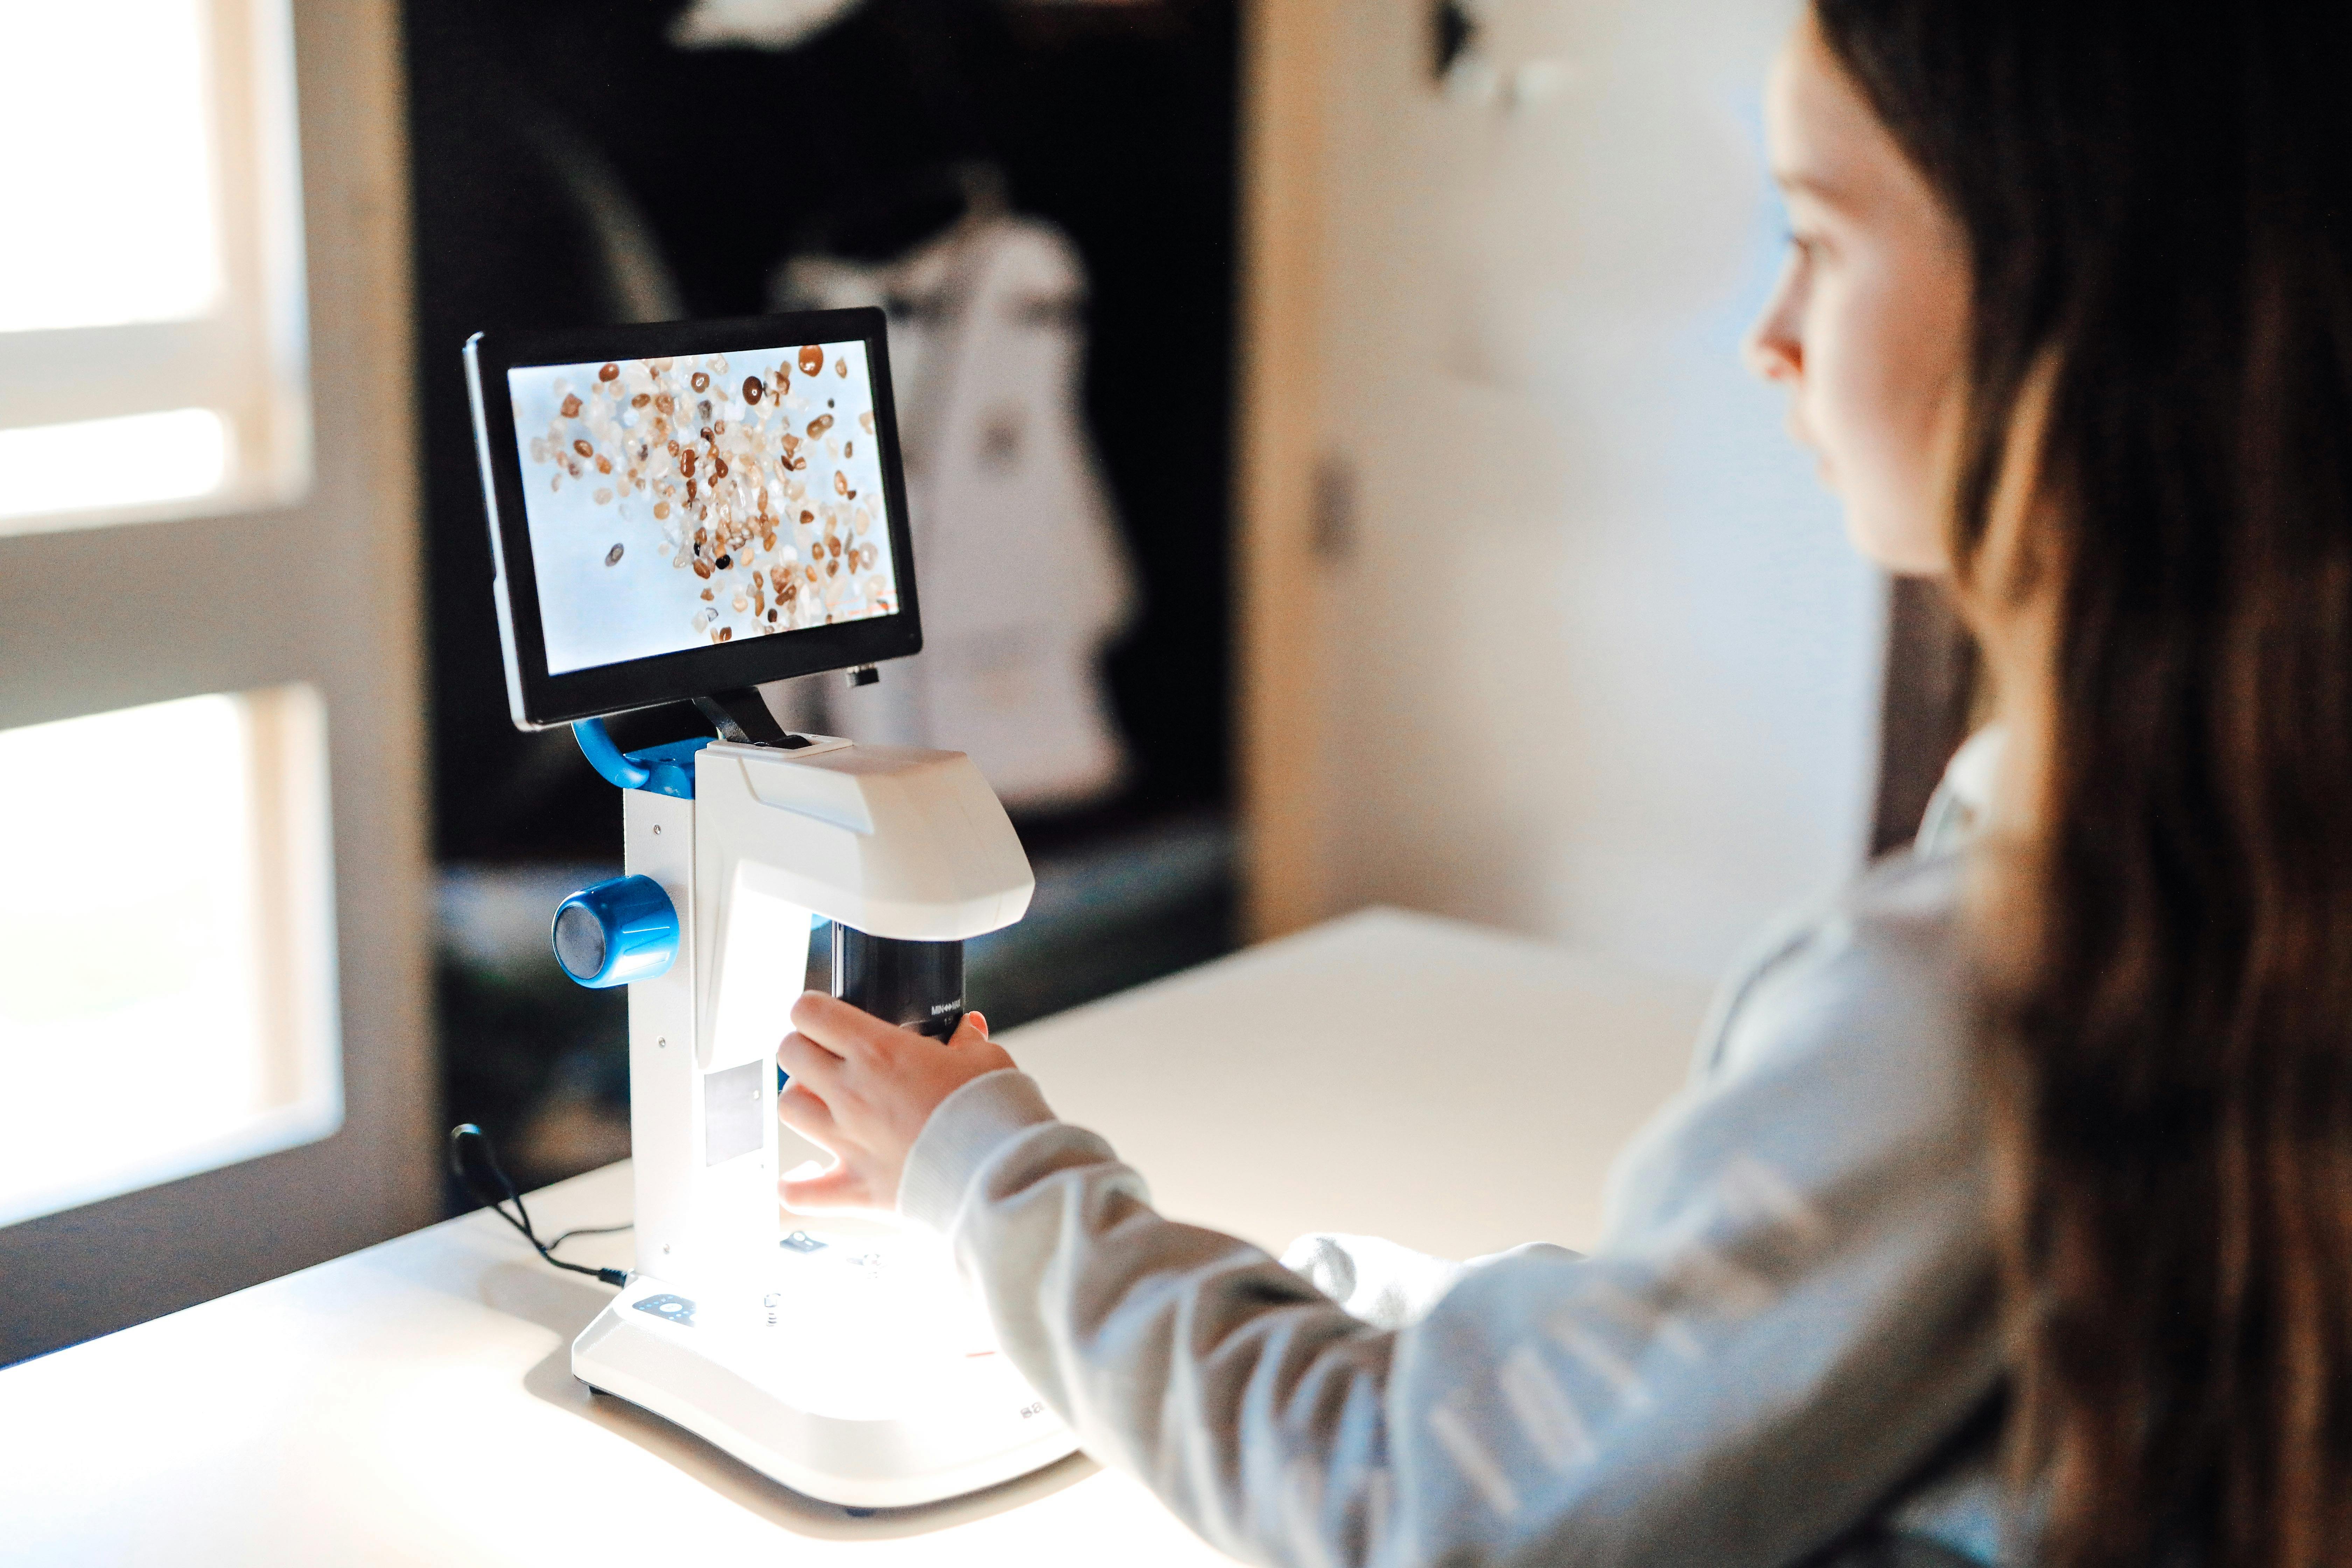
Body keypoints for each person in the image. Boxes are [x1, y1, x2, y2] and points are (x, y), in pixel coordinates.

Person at [771, 3, 2352, 1564]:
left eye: (1822, 236)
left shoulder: (1968, 984)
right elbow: (1730, 1357)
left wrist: (991, 1173)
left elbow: (1425, 1508)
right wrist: (1264, 1289)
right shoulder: (2234, 858)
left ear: (2071, 297)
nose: (1768, 334)